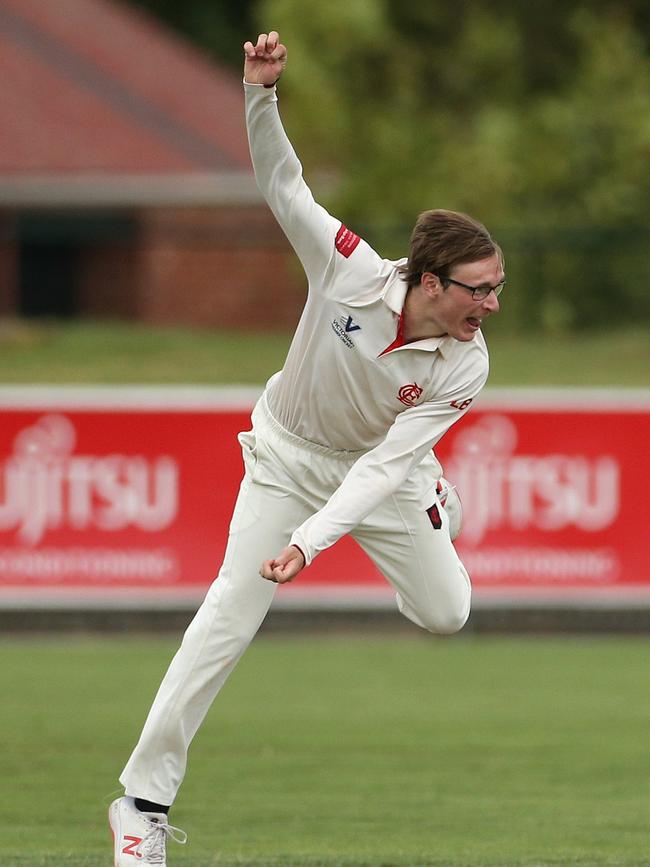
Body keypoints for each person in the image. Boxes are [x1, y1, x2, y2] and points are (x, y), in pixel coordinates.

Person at [109, 29, 505, 866]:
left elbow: (384, 464)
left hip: (385, 473)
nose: (493, 304)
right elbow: (282, 184)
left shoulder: (467, 362)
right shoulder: (350, 268)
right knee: (228, 612)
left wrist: (312, 542)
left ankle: (439, 507)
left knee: (447, 612)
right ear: (430, 282)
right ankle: (141, 805)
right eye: (482, 289)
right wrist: (260, 95)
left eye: (499, 289)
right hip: (287, 456)